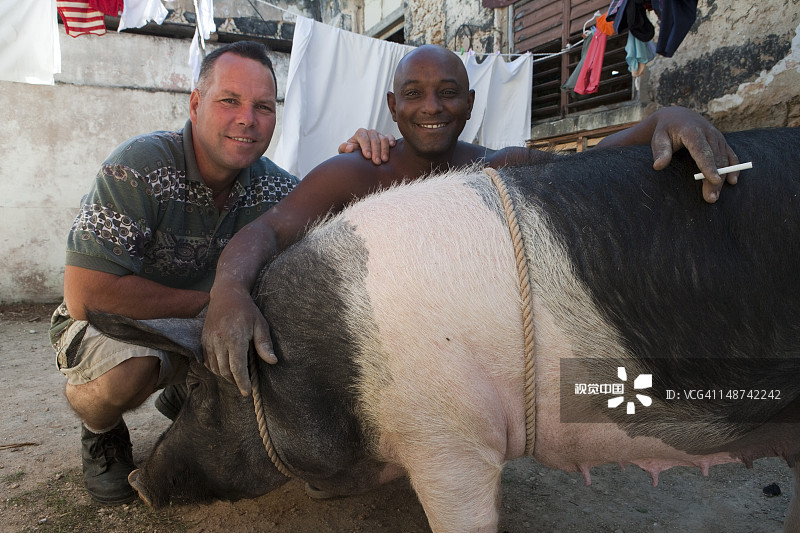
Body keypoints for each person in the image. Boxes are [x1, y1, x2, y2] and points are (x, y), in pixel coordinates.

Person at [201, 44, 740, 399]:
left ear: (470, 104)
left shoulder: (495, 169)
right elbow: (269, 229)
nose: (431, 106)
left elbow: (586, 166)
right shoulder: (355, 172)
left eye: (448, 93)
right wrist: (229, 291)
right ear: (393, 106)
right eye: (414, 94)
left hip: (460, 373)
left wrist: (659, 121)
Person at [49, 41, 391, 505]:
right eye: (230, 100)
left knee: (291, 335)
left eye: (263, 107)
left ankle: (194, 393)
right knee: (129, 371)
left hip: (213, 327)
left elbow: (346, 232)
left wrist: (367, 158)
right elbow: (85, 294)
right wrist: (214, 304)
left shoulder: (277, 187)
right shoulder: (140, 166)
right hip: (122, 325)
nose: (247, 118)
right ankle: (101, 431)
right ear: (195, 104)